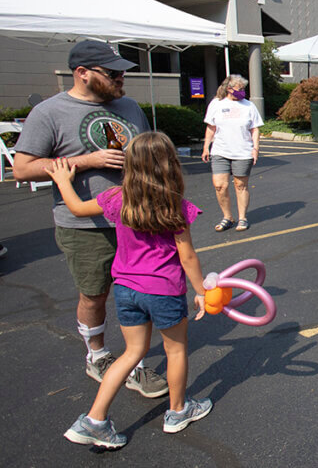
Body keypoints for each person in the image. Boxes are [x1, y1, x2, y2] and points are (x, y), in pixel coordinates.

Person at [13, 40, 167, 398]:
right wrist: (87, 161)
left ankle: (135, 363)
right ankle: (96, 355)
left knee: (138, 293)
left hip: (137, 220)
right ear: (82, 73)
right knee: (95, 294)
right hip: (84, 225)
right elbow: (22, 168)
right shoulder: (50, 113)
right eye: (112, 74)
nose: (121, 80)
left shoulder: (128, 107)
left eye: (122, 73)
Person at [46, 132, 211, 449]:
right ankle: (178, 412)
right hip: (163, 290)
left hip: (125, 289)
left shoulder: (116, 197)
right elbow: (187, 255)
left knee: (131, 353)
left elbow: (78, 209)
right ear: (170, 166)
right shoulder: (176, 205)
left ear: (130, 165)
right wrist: (201, 290)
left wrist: (63, 179)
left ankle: (94, 420)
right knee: (175, 350)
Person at [201, 75, 263, 233]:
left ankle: (242, 217)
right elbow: (211, 127)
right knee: (220, 186)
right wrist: (206, 147)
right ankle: (227, 217)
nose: (243, 92)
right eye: (240, 89)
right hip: (220, 151)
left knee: (240, 185)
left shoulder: (249, 106)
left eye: (244, 89)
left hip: (243, 152)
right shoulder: (216, 104)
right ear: (229, 89)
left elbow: (255, 129)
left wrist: (255, 149)